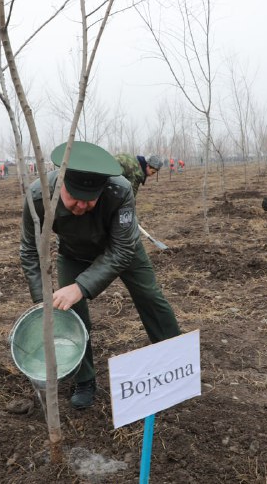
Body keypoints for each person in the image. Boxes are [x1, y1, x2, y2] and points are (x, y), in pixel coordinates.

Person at [20, 141, 181, 409]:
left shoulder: (120, 190)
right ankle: (84, 379)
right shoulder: (38, 196)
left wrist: (81, 286)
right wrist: (42, 300)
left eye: (89, 200)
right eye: (75, 199)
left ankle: (177, 360)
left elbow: (122, 250)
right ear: (62, 185)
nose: (82, 206)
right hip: (74, 253)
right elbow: (29, 252)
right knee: (70, 314)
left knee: (150, 297)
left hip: (122, 248)